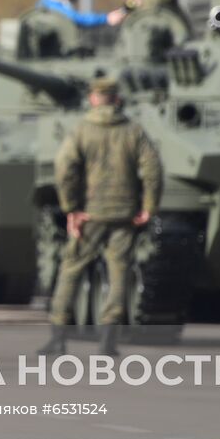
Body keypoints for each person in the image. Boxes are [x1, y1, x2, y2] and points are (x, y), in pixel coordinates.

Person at [46, 76, 162, 356]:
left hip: (90, 214)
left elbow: (64, 168)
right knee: (119, 271)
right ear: (117, 99)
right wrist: (148, 206)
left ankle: (59, 337)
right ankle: (109, 338)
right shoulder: (134, 131)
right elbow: (152, 169)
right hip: (125, 213)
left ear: (94, 99)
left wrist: (71, 208)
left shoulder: (82, 130)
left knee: (71, 269)